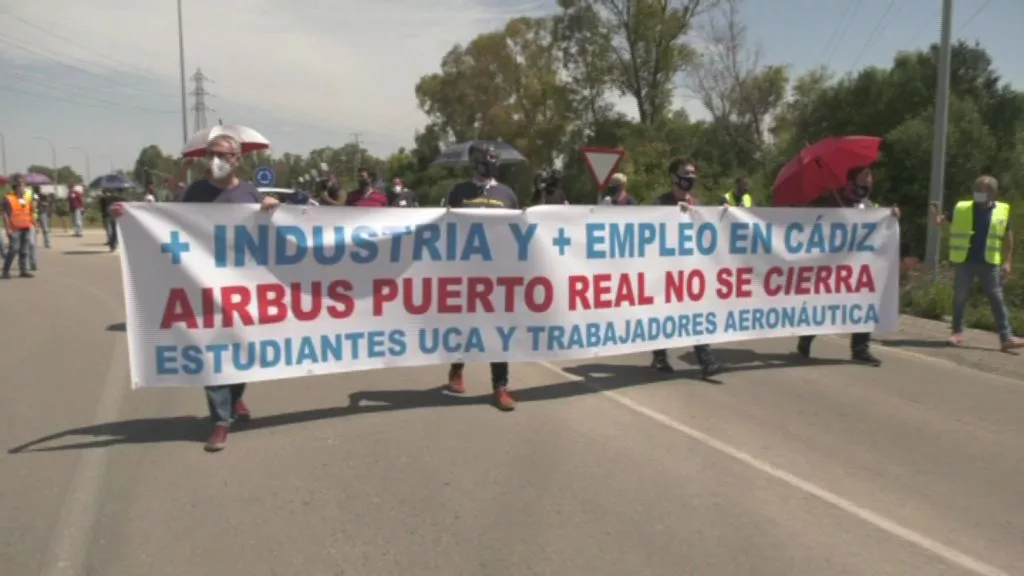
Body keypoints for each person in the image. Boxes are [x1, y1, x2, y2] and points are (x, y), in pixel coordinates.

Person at [111, 133, 280, 452]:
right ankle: (220, 421)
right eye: (211, 153)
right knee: (211, 347)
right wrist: (126, 215)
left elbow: (268, 230)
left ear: (238, 160)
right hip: (201, 283)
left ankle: (235, 397)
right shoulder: (195, 192)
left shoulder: (249, 192)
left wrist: (270, 207)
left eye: (223, 155)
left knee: (241, 345)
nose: (215, 159)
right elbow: (160, 219)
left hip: (241, 285)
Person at [796, 166, 900, 365]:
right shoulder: (834, 202)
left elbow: (880, 224)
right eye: (865, 176)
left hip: (861, 269)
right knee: (828, 306)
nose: (870, 180)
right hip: (835, 267)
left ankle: (860, 349)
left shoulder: (870, 207)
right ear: (853, 180)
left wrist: (892, 215)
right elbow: (817, 224)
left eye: (870, 176)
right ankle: (807, 336)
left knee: (864, 304)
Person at [444, 142, 519, 411]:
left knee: (499, 329)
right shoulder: (459, 192)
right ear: (474, 161)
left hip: (498, 273)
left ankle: (501, 387)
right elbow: (446, 227)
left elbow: (517, 229)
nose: (492, 163)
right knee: (464, 325)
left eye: (495, 159)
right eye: (487, 158)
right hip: (466, 271)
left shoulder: (507, 193)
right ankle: (456, 369)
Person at [931, 175, 1024, 350]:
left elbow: (1008, 237)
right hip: (965, 260)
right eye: (977, 189)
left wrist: (1008, 261)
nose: (980, 193)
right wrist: (936, 215)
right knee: (960, 297)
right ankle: (957, 333)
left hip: (989, 262)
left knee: (996, 298)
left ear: (993, 193)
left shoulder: (1002, 210)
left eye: (984, 190)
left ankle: (1006, 337)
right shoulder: (962, 208)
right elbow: (940, 222)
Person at [651, 158, 722, 380]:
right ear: (673, 177)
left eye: (693, 173)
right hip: (666, 272)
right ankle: (660, 355)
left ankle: (707, 360)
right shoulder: (660, 204)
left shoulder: (697, 204)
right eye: (685, 173)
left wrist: (724, 216)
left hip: (691, 272)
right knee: (663, 315)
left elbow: (710, 232)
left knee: (695, 315)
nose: (690, 178)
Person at [2, 174, 37, 279]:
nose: (24, 188)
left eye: (24, 186)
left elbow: (29, 212)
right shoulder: (9, 198)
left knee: (24, 250)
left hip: (26, 227)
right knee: (14, 249)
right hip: (14, 229)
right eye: (22, 186)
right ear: (17, 187)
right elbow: (5, 215)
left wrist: (34, 224)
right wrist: (8, 229)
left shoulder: (26, 199)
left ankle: (23, 270)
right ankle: (6, 271)